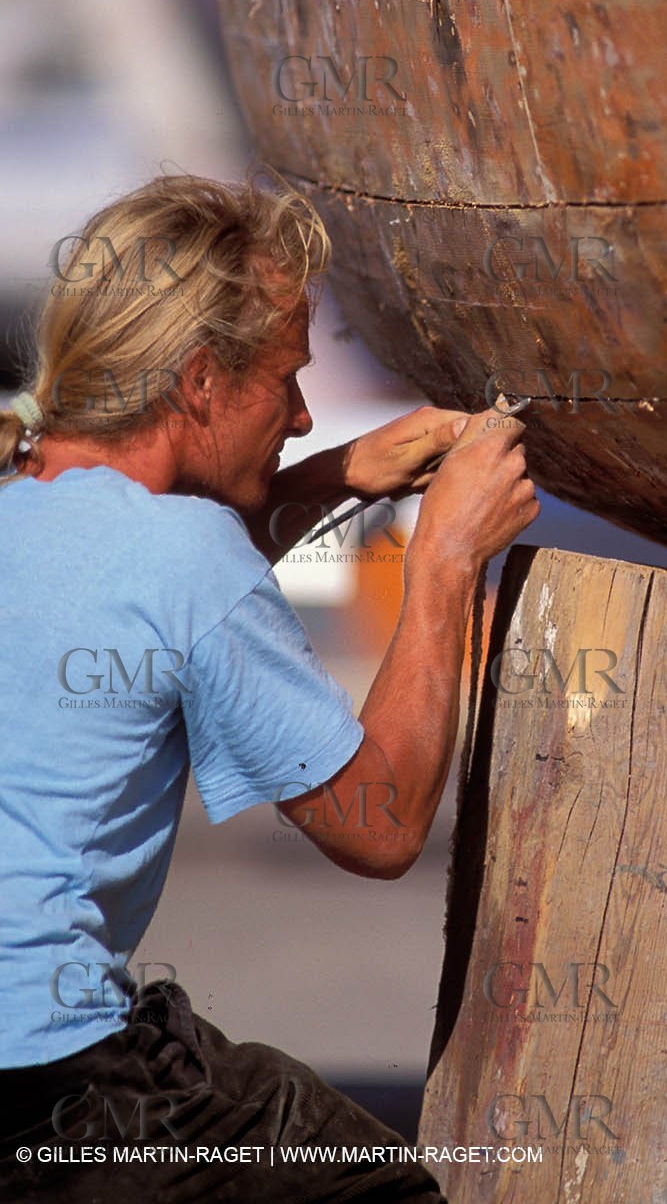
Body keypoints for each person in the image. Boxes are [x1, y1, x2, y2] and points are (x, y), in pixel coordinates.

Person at [0, 172, 539, 1201]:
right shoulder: (188, 554)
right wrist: (444, 563)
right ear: (201, 379)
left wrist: (334, 477)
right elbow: (377, 827)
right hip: (48, 1077)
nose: (298, 413)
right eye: (287, 380)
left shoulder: (24, 510)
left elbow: (144, 588)